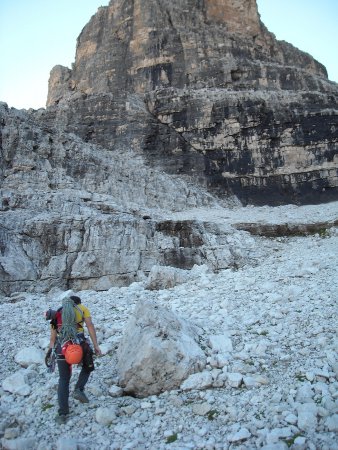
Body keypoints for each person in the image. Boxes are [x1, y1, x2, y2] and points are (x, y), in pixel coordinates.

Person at [45, 293, 102, 424]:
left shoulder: (57, 313)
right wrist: (96, 345)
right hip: (80, 346)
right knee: (88, 367)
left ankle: (63, 413)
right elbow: (90, 325)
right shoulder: (82, 308)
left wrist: (50, 351)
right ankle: (78, 389)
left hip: (62, 348)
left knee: (64, 379)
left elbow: (53, 337)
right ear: (77, 303)